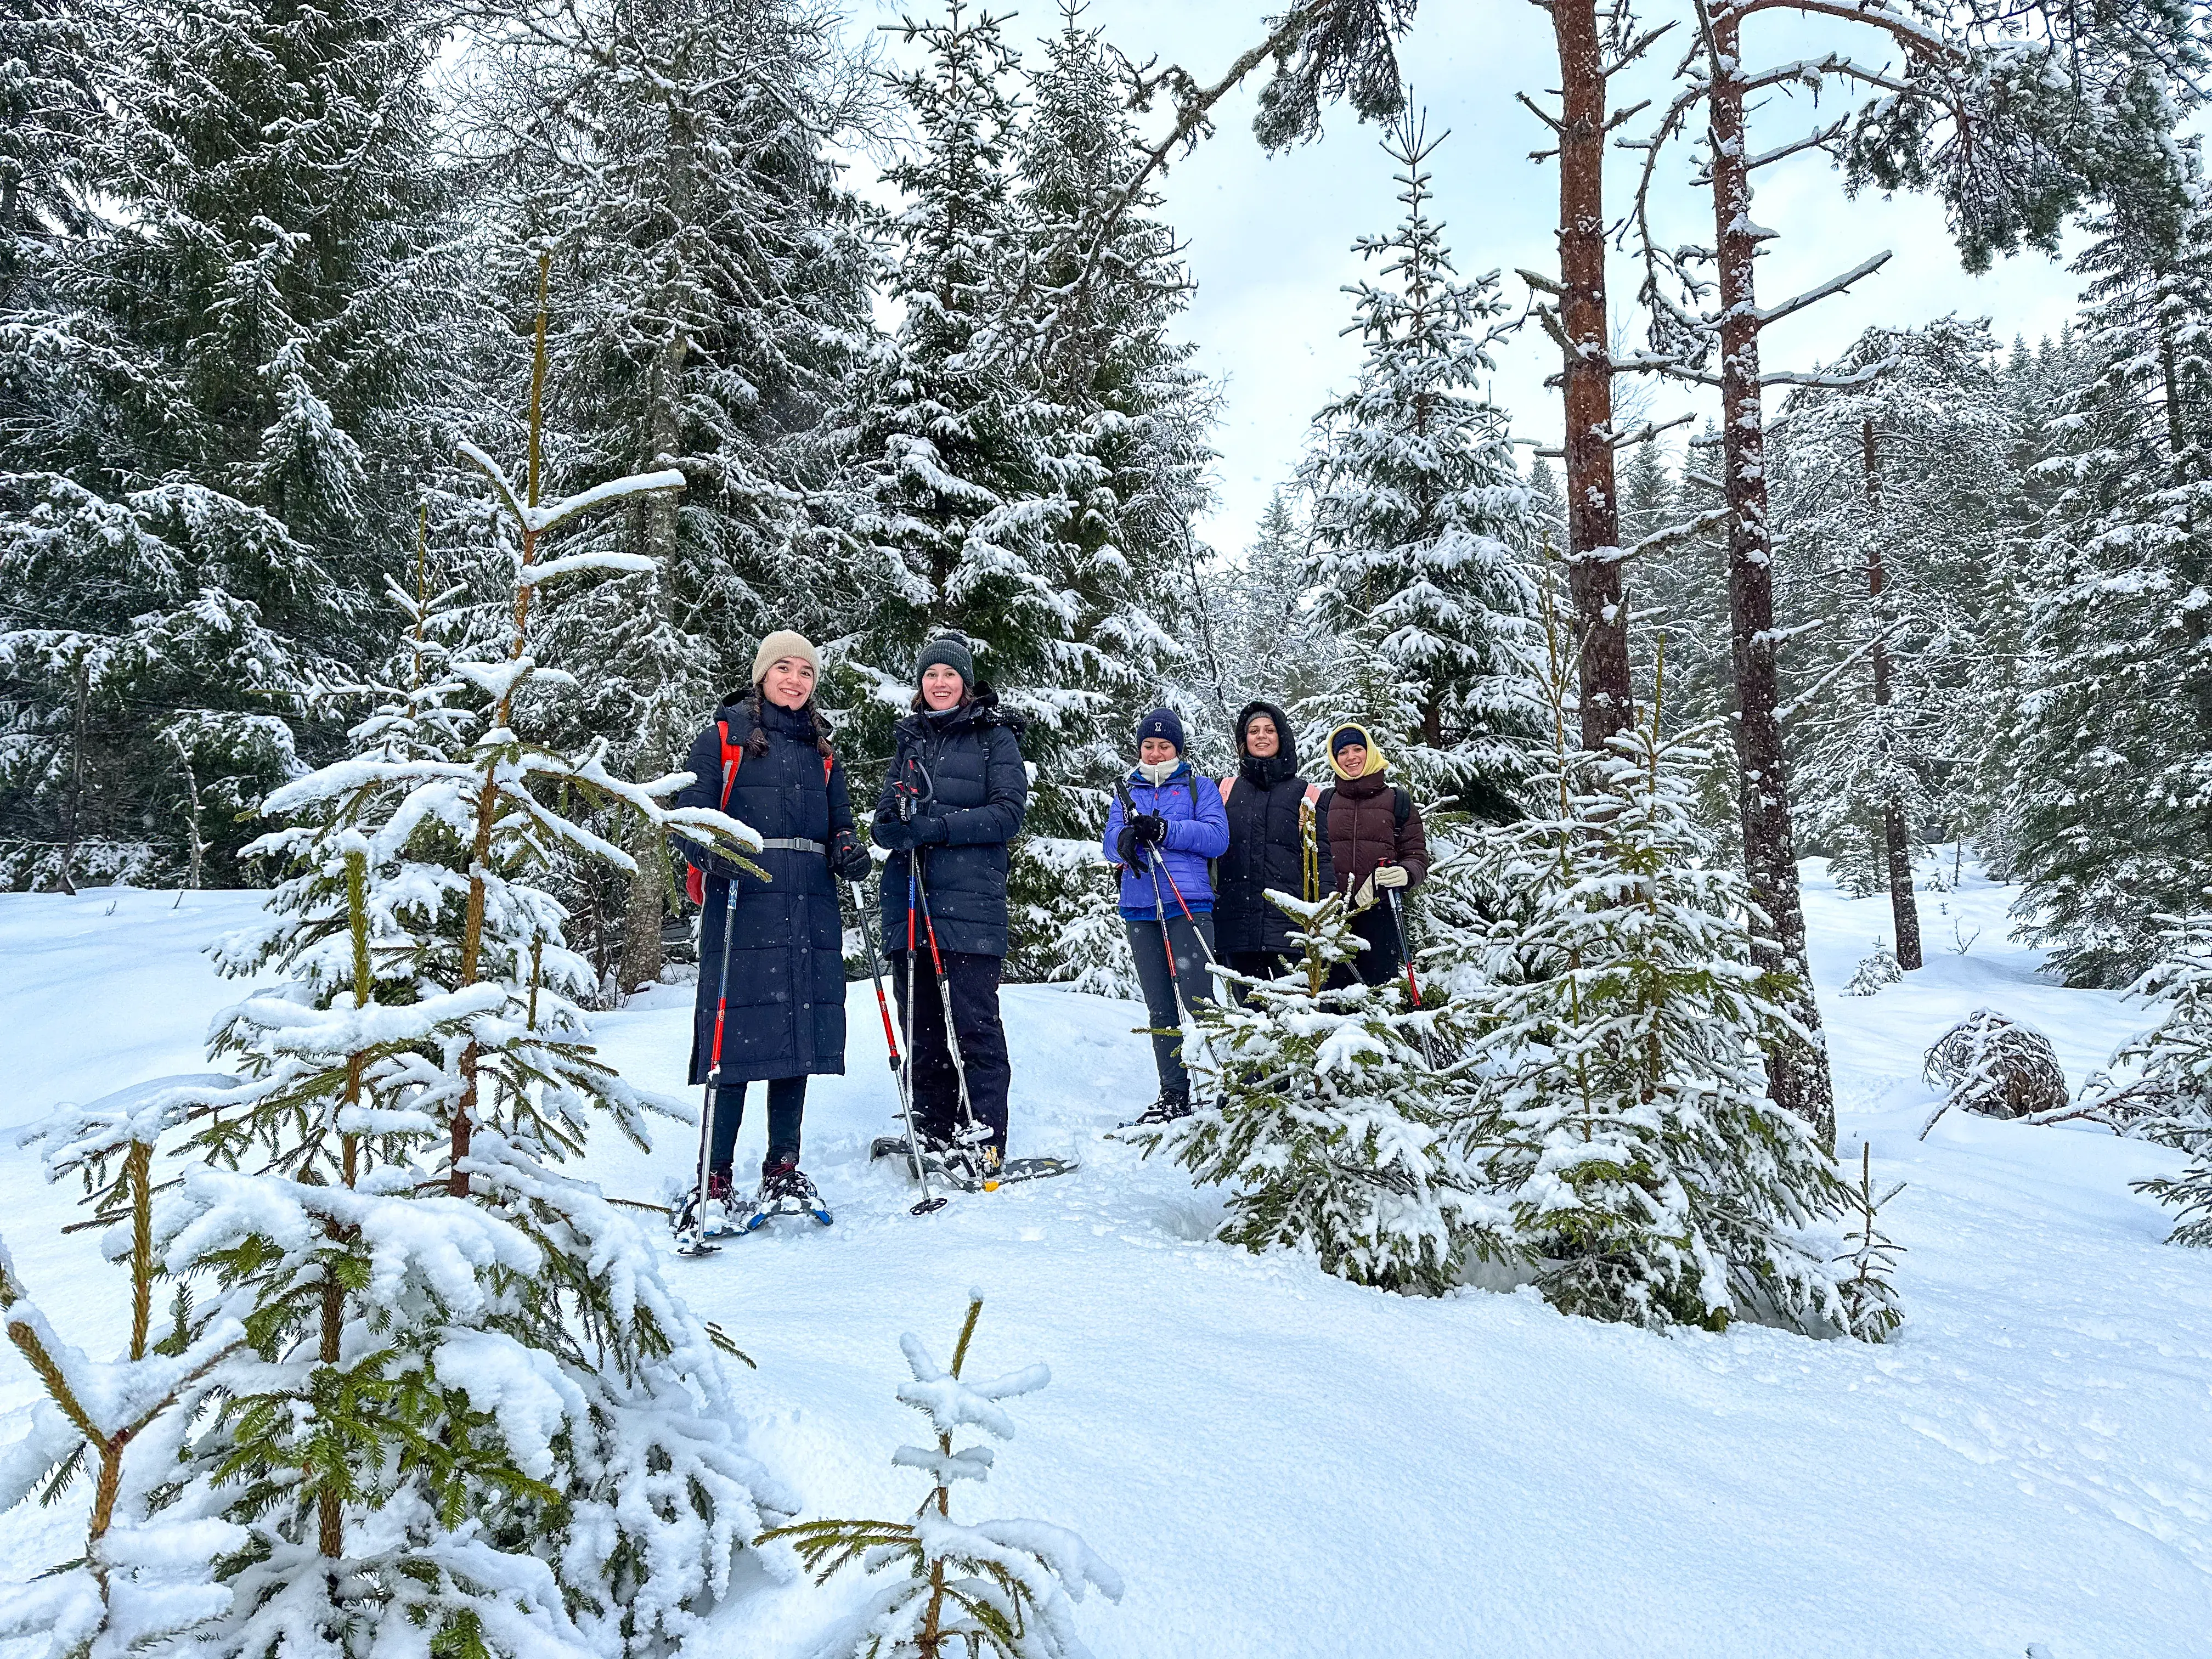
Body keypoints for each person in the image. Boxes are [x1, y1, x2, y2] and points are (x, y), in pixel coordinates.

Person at [674, 630, 872, 1221]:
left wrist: (847, 849)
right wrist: (707, 851)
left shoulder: (824, 750)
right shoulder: (722, 739)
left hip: (809, 903)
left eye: (805, 672)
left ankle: (783, 1169)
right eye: (783, 668)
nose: (795, 680)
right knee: (732, 1039)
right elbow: (687, 815)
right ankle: (714, 1177)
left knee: (795, 1037)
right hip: (743, 902)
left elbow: (841, 823)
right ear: (762, 675)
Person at [872, 635, 1028, 1171]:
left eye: (949, 674)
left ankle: (984, 1136)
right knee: (922, 1026)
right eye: (930, 674)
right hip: (910, 905)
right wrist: (891, 826)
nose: (939, 683)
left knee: (974, 1025)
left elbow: (1008, 813)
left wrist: (936, 828)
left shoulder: (995, 738)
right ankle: (935, 1126)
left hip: (970, 906)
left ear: (965, 682)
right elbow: (886, 814)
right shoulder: (910, 738)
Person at [1102, 707, 1229, 1123]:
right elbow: (1109, 843)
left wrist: (1165, 830)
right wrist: (1125, 840)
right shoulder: (1128, 792)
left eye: (1164, 746)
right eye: (1148, 746)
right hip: (1141, 906)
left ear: (1177, 748)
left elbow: (1217, 838)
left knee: (1200, 999)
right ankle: (1173, 1092)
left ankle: (1228, 1081)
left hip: (1187, 900)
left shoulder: (1198, 787)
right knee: (1160, 1005)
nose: (1155, 753)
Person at [1213, 701, 1334, 998]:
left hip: (1290, 931)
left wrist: (1325, 917)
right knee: (1248, 1025)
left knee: (1295, 1025)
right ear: (1244, 741)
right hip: (1236, 927)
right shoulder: (1225, 790)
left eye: (1269, 730)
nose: (1261, 736)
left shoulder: (1306, 794)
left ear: (1282, 737)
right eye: (1253, 731)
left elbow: (1323, 860)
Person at [1319, 721, 1431, 988]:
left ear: (1370, 752)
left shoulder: (1397, 801)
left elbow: (1416, 855)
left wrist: (1406, 873)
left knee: (1379, 995)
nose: (1351, 757)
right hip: (1331, 915)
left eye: (1357, 749)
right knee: (1332, 999)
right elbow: (1312, 854)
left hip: (1381, 912)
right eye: (1342, 752)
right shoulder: (1325, 801)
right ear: (1335, 760)